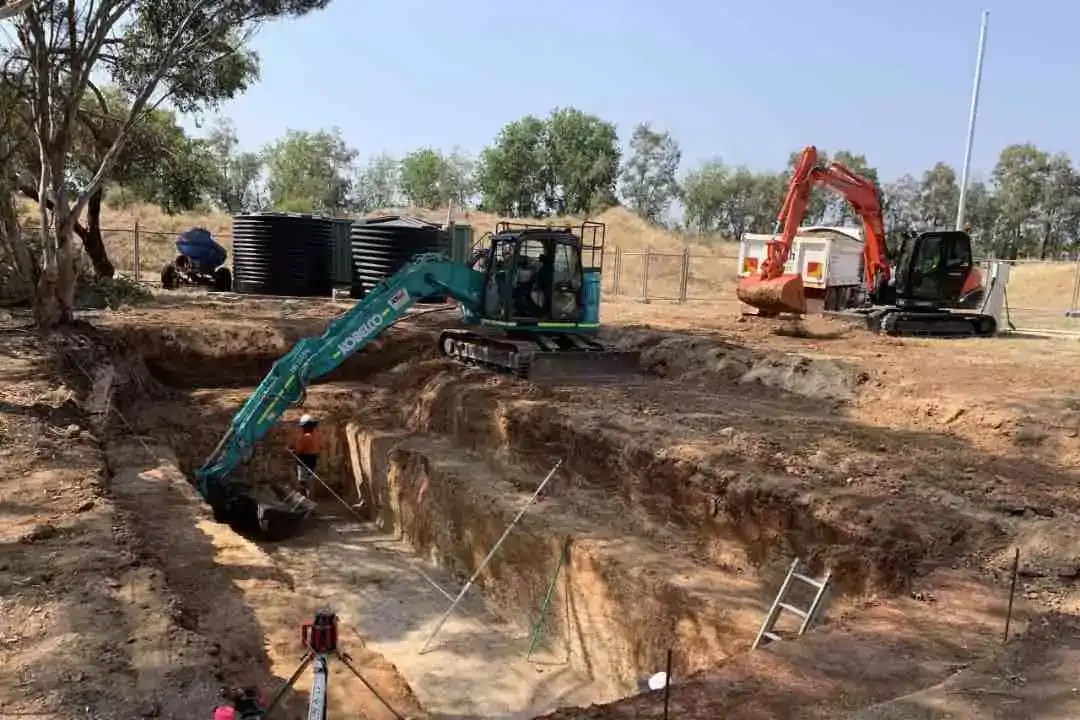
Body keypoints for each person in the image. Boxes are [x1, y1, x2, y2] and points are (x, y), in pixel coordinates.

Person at [288, 414, 321, 497]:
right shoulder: (316, 436)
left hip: (304, 461)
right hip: (313, 460)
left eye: (303, 427)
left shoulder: (305, 437)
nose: (302, 428)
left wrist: (292, 451)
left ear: (306, 427)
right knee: (310, 482)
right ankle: (311, 499)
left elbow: (299, 451)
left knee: (302, 482)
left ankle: (303, 500)